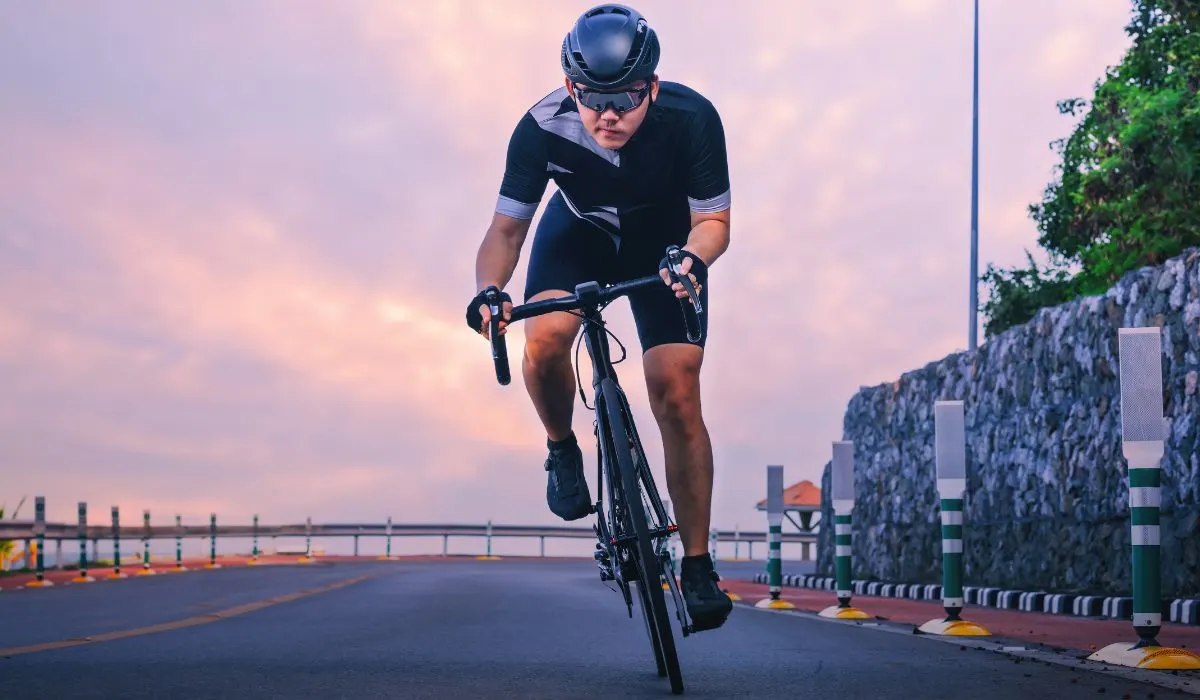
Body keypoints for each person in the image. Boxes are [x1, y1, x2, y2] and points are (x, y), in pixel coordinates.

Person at [465, 3, 733, 632]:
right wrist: (487, 291)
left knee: (678, 389)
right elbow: (505, 231)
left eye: (625, 98)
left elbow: (714, 223)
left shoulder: (691, 118)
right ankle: (562, 448)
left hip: (666, 245)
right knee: (546, 338)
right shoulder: (539, 127)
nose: (608, 114)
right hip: (579, 232)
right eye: (592, 98)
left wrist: (693, 260)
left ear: (653, 88)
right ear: (569, 87)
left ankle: (697, 566)